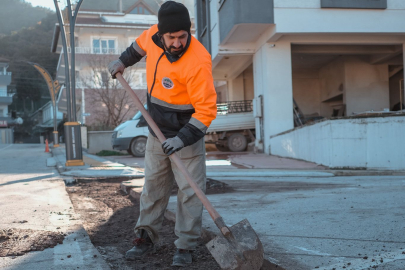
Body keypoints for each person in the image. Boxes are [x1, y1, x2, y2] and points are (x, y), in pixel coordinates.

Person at [108, 1, 217, 267]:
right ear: (161, 34)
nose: (178, 43)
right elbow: (136, 49)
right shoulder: (152, 36)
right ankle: (145, 237)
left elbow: (206, 110)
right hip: (156, 130)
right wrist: (121, 61)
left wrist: (180, 139)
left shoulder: (198, 61)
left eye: (183, 37)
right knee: (153, 187)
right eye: (172, 38)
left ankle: (185, 246)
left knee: (190, 192)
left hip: (185, 135)